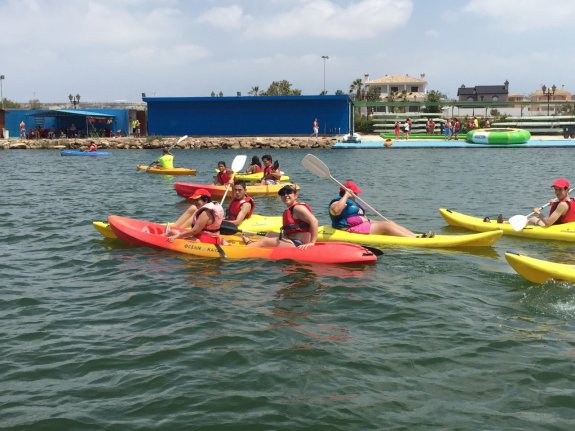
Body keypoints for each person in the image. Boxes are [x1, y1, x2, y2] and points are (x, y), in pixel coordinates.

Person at [329, 181, 422, 238]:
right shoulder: (338, 202)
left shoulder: (352, 203)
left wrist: (375, 222)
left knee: (389, 223)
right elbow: (335, 211)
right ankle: (413, 240)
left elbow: (361, 217)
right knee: (386, 227)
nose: (356, 195)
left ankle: (415, 236)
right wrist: (346, 195)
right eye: (355, 193)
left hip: (360, 226)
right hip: (348, 229)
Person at [242, 184, 317, 249]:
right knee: (270, 234)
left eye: (289, 192)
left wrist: (312, 242)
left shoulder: (298, 208)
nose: (285, 195)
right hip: (291, 239)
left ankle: (248, 247)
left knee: (266, 241)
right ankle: (254, 245)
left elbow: (314, 221)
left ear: (295, 196)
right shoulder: (291, 209)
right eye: (283, 194)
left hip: (298, 243)